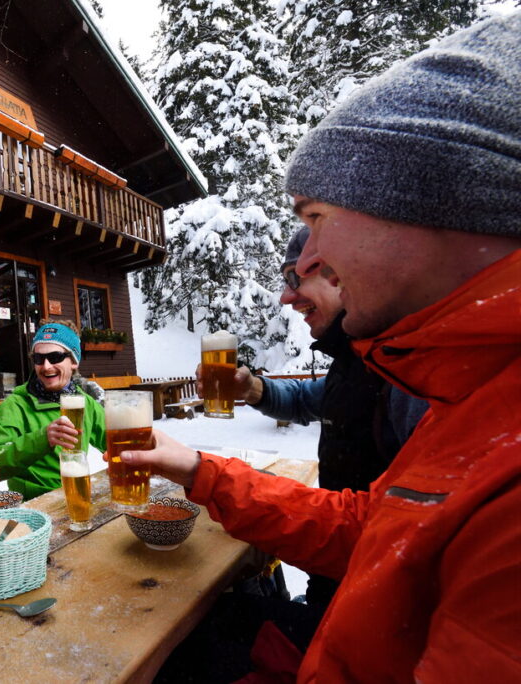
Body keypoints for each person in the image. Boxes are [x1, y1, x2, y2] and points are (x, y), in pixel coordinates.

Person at [129, 15, 521, 681]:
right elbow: (376, 528)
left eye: (315, 218)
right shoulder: (461, 387)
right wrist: (202, 467)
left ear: (427, 202)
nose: (310, 260)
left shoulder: (467, 420)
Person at [199, 227, 429, 607]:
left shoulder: (408, 373)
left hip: (371, 608)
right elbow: (305, 399)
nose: (285, 297)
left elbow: (405, 533)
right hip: (340, 591)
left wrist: (207, 477)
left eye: (296, 278)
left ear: (346, 273)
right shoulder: (358, 360)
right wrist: (251, 389)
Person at [0, 320, 106, 499]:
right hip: (33, 506)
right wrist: (42, 438)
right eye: (39, 359)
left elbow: (114, 443)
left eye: (55, 357)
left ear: (74, 361)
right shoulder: (15, 405)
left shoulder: (85, 403)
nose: (46, 366)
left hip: (76, 497)